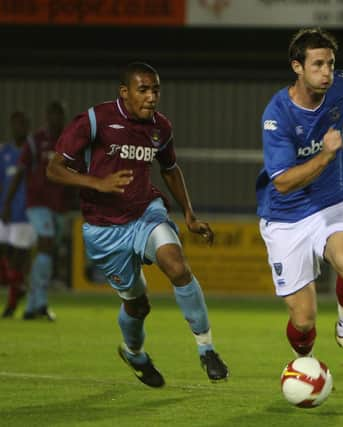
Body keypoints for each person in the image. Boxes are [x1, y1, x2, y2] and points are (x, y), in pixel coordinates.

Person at [46, 61, 229, 387]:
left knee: (177, 266)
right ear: (125, 92)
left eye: (155, 89)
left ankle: (207, 349)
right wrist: (96, 183)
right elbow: (55, 169)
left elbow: (170, 168)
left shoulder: (161, 127)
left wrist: (188, 213)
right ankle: (135, 354)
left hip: (146, 212)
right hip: (104, 228)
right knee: (137, 304)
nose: (151, 97)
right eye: (143, 89)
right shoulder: (95, 120)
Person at [255, 28, 343, 374]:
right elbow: (283, 184)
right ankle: (306, 364)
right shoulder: (277, 116)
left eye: (331, 64)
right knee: (304, 321)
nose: (327, 72)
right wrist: (325, 155)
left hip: (330, 199)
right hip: (284, 215)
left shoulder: (341, 85)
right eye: (318, 64)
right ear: (298, 67)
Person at [2, 101, 70, 321]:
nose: (57, 119)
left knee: (47, 253)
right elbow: (20, 173)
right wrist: (7, 203)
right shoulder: (35, 141)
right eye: (53, 114)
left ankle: (32, 305)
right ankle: (38, 301)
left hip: (58, 205)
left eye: (60, 115)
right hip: (37, 204)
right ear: (47, 117)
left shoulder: (69, 142)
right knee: (45, 243)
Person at [1, 112, 36, 317]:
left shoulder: (32, 150)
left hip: (25, 212)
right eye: (16, 124)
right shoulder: (4, 151)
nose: (19, 128)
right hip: (4, 211)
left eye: (23, 124)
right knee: (6, 257)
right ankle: (19, 285)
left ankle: (12, 303)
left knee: (17, 259)